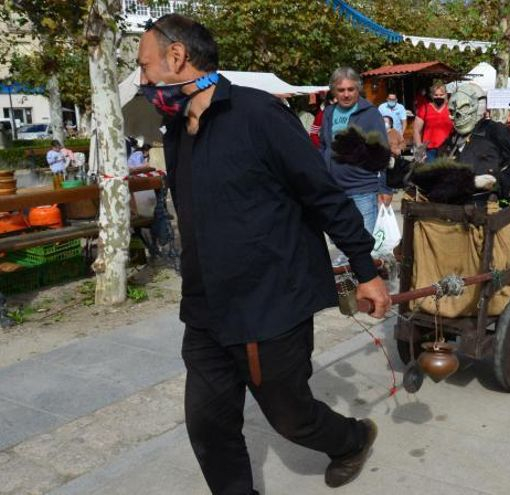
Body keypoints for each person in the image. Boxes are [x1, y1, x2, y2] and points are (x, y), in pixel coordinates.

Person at [137, 15, 390, 493]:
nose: (142, 81)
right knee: (208, 425)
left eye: (145, 67)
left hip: (269, 304)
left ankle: (352, 438)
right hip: (206, 308)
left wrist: (365, 271)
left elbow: (324, 195)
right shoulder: (174, 133)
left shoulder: (259, 115)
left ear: (176, 58)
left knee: (291, 418)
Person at [319, 67, 390, 233]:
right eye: (341, 90)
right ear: (333, 92)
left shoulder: (370, 114)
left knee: (365, 240)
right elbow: (324, 145)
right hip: (335, 188)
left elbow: (382, 153)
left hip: (362, 188)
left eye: (351, 89)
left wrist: (385, 188)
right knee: (344, 237)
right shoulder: (329, 112)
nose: (346, 94)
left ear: (358, 89)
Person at [413, 82, 453, 162]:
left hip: (448, 150)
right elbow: (416, 130)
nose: (439, 97)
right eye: (436, 95)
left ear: (445, 95)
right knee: (431, 174)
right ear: (432, 95)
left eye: (441, 95)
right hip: (429, 151)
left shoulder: (451, 109)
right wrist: (420, 149)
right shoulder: (425, 108)